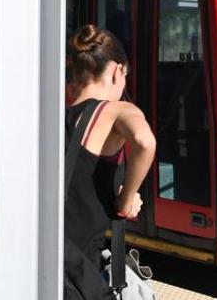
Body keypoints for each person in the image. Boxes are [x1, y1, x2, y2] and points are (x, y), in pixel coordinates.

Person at [65, 24, 156, 291]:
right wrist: (126, 199)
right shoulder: (115, 111)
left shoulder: (54, 113)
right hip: (80, 273)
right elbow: (144, 142)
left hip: (50, 258)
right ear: (118, 71)